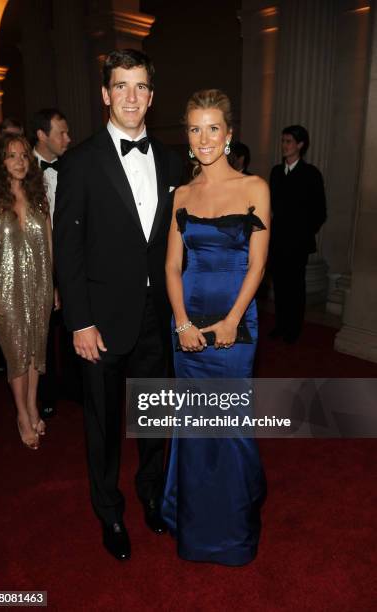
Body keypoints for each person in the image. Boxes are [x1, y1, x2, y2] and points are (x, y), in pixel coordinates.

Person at [53, 49, 183, 561]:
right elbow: (69, 247)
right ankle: (109, 510)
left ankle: (151, 493)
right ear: (105, 94)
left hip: (159, 317)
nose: (131, 96)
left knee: (155, 418)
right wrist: (79, 321)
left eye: (141, 86)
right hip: (101, 321)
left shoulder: (172, 159)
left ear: (151, 96)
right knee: (104, 425)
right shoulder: (80, 161)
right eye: (121, 86)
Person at [162, 89, 269, 566]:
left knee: (230, 426)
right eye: (194, 129)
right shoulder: (182, 195)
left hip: (235, 324)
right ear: (187, 137)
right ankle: (197, 529)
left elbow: (258, 267)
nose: (203, 139)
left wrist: (230, 321)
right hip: (186, 327)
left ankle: (234, 530)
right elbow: (170, 267)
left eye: (212, 128)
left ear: (228, 135)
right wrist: (182, 322)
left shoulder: (254, 188)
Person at [0, 134, 53, 449]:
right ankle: (21, 414)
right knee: (17, 353)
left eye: (23, 156)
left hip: (39, 287)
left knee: (36, 351)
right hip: (3, 291)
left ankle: (32, 405)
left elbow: (49, 244)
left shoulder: (37, 196)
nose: (19, 161)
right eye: (11, 156)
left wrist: (53, 286)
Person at [269, 125, 327, 343]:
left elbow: (320, 212)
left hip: (298, 243)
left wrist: (301, 233)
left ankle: (293, 329)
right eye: (283, 141)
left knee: (295, 287)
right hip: (277, 241)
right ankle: (280, 325)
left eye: (289, 142)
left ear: (300, 145)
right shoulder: (275, 172)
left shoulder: (311, 174)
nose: (284, 146)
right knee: (280, 286)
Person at [31, 108, 71, 418]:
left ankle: (73, 386)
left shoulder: (72, 166)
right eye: (61, 133)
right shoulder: (20, 169)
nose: (67, 139)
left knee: (74, 324)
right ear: (42, 135)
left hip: (69, 258)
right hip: (34, 262)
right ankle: (44, 393)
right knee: (40, 334)